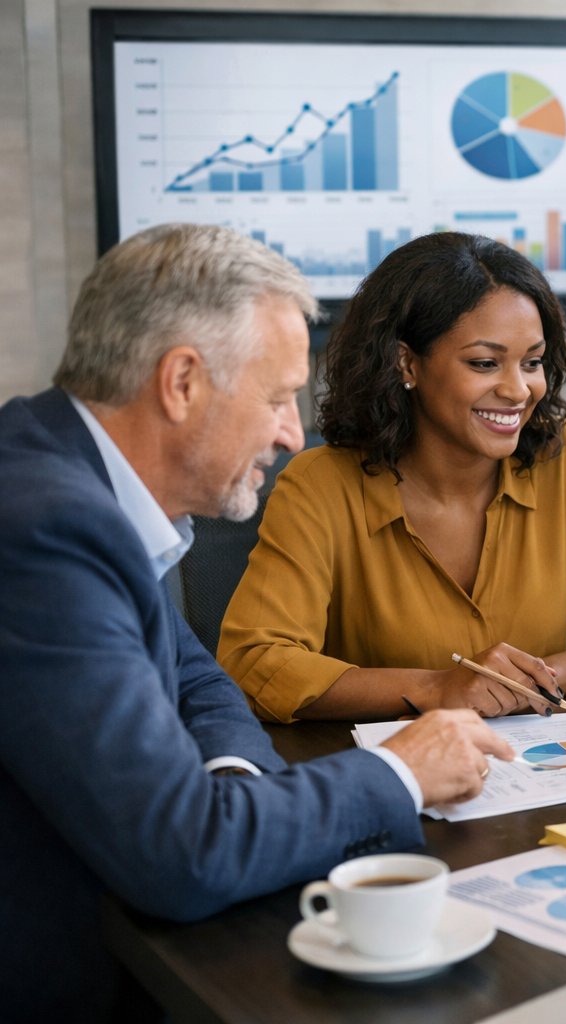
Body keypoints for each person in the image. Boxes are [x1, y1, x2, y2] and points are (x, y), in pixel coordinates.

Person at [0, 223, 517, 1019]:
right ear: (182, 382)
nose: (291, 432)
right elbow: (183, 856)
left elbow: (198, 680)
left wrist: (230, 787)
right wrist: (402, 771)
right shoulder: (46, 529)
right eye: (276, 397)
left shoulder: (64, 473)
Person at [218, 232, 566, 724]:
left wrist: (530, 681)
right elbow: (254, 664)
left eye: (532, 362)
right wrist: (437, 688)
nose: (518, 390)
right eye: (484, 363)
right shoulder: (321, 485)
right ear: (406, 362)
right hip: (401, 781)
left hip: (549, 774)